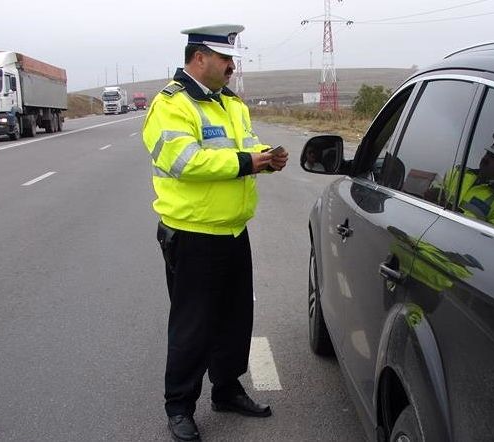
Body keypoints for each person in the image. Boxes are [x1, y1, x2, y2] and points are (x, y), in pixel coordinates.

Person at [141, 24, 289, 442]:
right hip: (192, 234)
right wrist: (248, 163)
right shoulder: (171, 105)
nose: (231, 66)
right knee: (193, 326)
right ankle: (179, 408)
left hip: (232, 230)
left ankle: (226, 390)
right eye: (225, 59)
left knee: (234, 319)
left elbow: (248, 144)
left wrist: (267, 156)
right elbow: (185, 162)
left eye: (233, 59)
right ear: (199, 58)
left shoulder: (232, 104)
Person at [430, 132, 494, 230]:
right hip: (419, 237)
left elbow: (490, 238)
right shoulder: (459, 172)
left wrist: (456, 212)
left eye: (493, 157)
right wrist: (434, 193)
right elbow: (434, 185)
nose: (486, 158)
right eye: (488, 153)